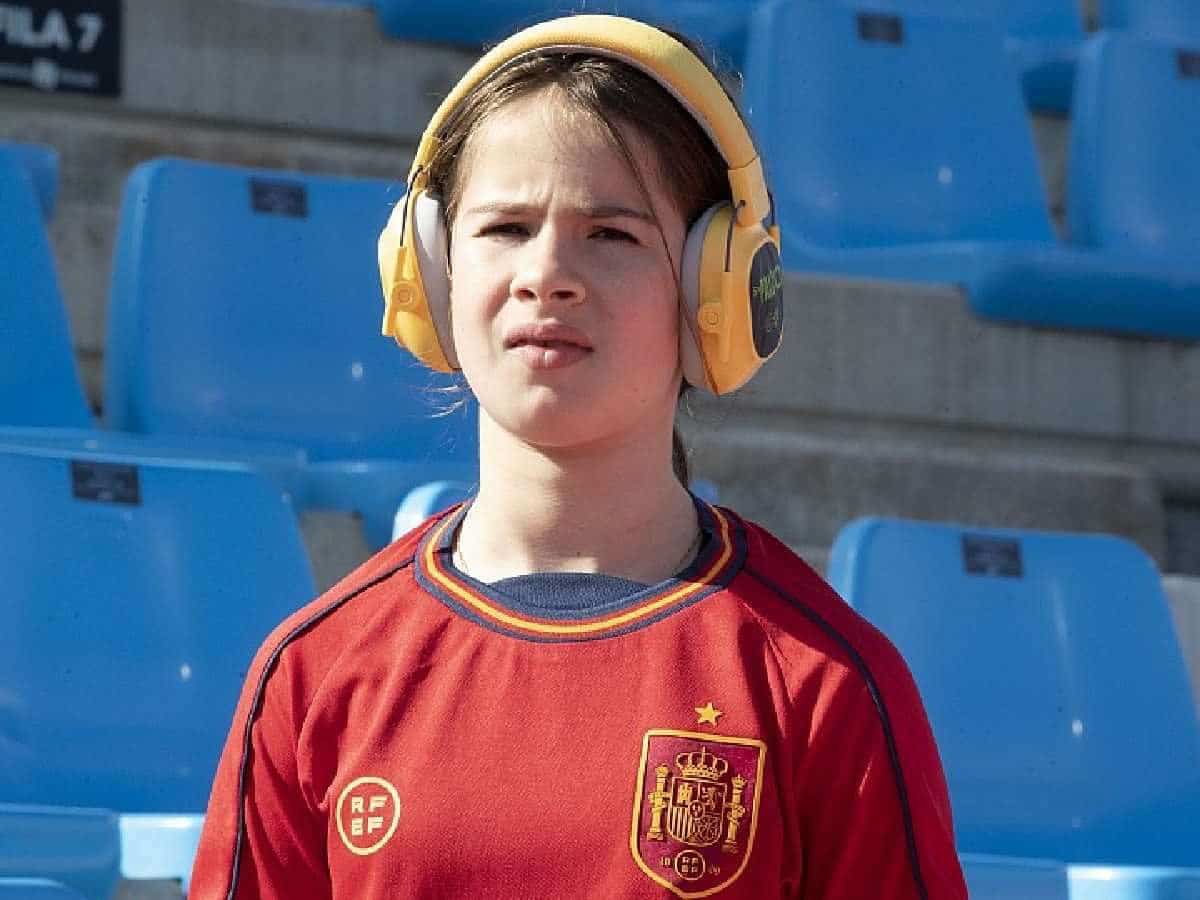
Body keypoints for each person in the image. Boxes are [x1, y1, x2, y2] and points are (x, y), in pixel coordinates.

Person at [190, 14, 968, 899]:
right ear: (428, 272)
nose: (546, 274)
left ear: (715, 287)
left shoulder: (823, 683)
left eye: (613, 234)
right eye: (506, 228)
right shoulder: (314, 673)